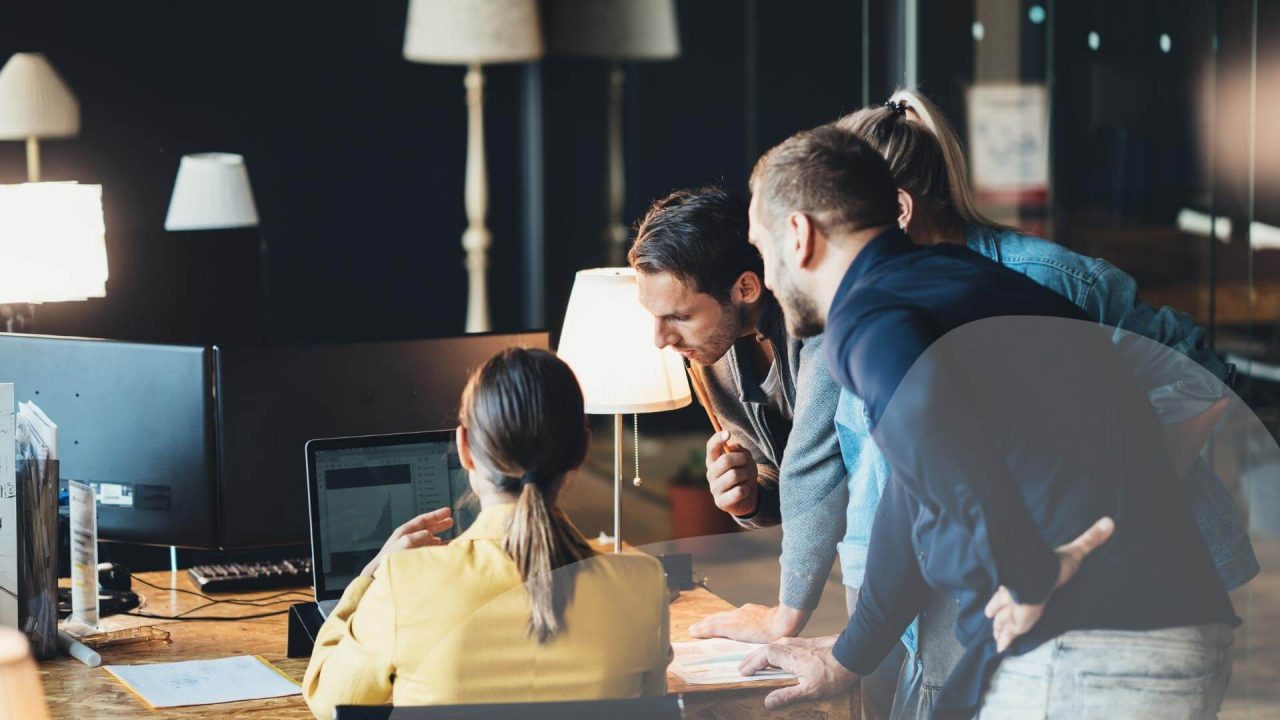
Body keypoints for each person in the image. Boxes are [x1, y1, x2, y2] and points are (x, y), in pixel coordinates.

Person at [738, 125, 1236, 719]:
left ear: (799, 235)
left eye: (761, 249)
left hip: (1088, 648)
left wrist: (1027, 573)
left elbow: (927, 426)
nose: (766, 277)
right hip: (1152, 628)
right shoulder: (958, 284)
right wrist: (851, 653)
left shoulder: (865, 315)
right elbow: (913, 483)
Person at [628, 187, 903, 719]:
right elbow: (781, 476)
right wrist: (750, 499)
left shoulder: (826, 317)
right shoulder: (708, 351)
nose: (660, 338)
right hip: (853, 574)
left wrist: (783, 616)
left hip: (914, 553)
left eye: (678, 316)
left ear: (746, 286)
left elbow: (815, 466)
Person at [302, 348, 671, 720]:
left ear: (464, 449)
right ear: (582, 450)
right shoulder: (644, 583)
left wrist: (371, 577)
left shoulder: (404, 581)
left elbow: (326, 699)